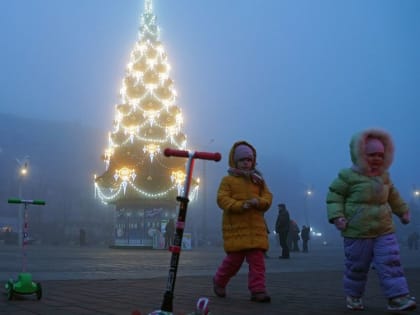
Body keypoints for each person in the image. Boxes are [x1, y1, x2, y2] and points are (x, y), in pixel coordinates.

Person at [326, 128, 416, 311]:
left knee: (391, 263)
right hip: (357, 231)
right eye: (371, 154)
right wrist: (337, 216)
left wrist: (403, 211)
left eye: (381, 155)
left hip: (384, 230)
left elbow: (394, 196)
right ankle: (354, 296)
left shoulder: (384, 177)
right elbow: (334, 196)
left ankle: (397, 298)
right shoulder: (348, 176)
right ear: (359, 154)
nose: (377, 158)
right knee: (357, 268)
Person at [213, 141, 273, 303]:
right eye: (242, 160)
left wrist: (258, 202)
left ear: (253, 161)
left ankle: (258, 290)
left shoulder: (258, 180)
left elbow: (268, 197)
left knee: (257, 263)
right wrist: (239, 205)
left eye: (249, 160)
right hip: (236, 228)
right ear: (235, 161)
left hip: (256, 228)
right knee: (233, 262)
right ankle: (219, 280)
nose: (246, 163)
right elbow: (222, 199)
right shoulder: (228, 180)